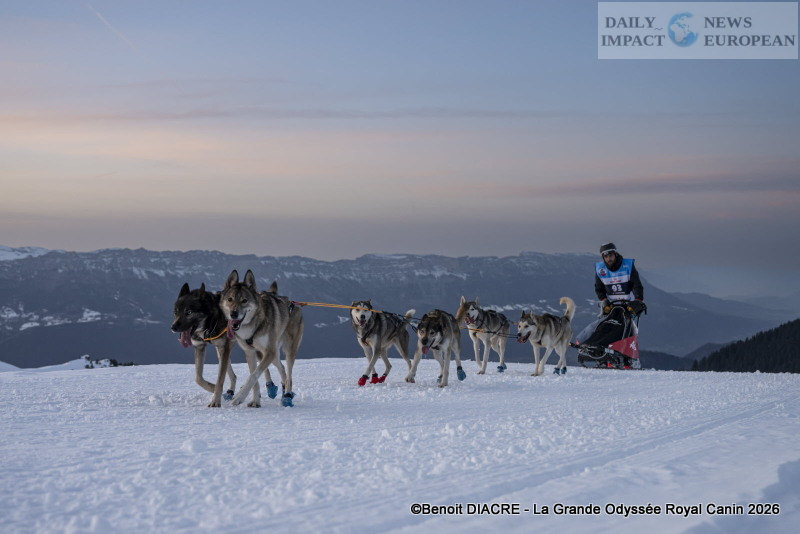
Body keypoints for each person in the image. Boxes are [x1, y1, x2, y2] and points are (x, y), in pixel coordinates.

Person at [594, 242, 644, 315]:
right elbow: (599, 288)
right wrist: (604, 299)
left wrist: (638, 299)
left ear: (615, 254)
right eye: (606, 257)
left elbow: (637, 285)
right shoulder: (600, 270)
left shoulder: (628, 265)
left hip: (629, 305)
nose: (609, 259)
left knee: (630, 325)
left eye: (610, 255)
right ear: (603, 257)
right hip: (611, 305)